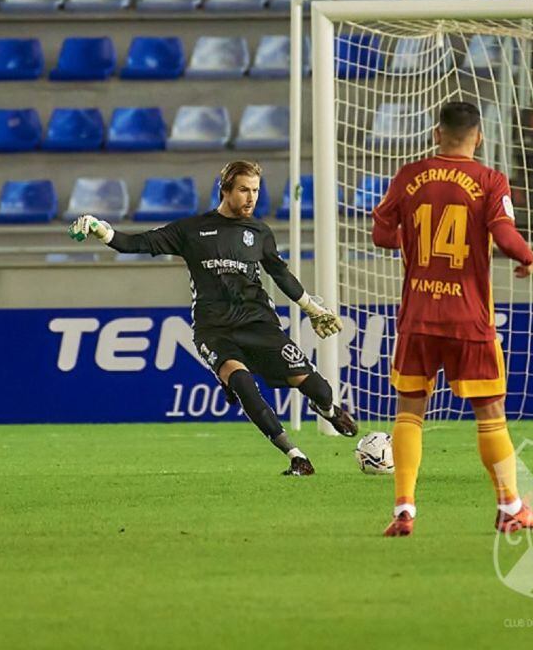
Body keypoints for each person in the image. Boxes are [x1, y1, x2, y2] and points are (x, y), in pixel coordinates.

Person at [69, 160, 357, 476]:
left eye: (256, 191)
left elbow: (280, 274)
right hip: (214, 329)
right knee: (244, 383)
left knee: (319, 389)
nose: (251, 198)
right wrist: (100, 228)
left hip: (259, 324)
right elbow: (134, 243)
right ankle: (296, 456)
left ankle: (327, 409)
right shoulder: (190, 230)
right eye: (244, 190)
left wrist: (311, 308)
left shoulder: (259, 232)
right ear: (225, 191)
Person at [370, 101, 533, 537]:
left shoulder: (409, 177)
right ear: (479, 137)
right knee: (490, 413)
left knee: (410, 412)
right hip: (468, 317)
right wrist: (527, 257)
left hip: (417, 315)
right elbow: (505, 235)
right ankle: (510, 507)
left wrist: (411, 240)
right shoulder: (489, 180)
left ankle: (405, 509)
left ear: (436, 133)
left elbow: (380, 235)